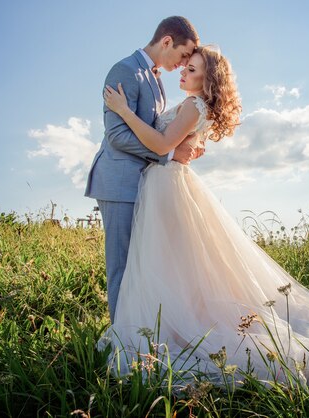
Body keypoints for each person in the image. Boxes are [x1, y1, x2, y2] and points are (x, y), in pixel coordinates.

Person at [101, 46, 309, 392]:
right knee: (176, 269)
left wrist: (124, 111)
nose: (184, 73)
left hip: (168, 187)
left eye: (192, 70)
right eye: (186, 67)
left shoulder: (193, 106)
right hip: (166, 185)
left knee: (169, 265)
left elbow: (161, 145)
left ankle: (169, 333)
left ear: (207, 81)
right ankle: (170, 328)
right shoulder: (192, 106)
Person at [85, 17, 201, 322]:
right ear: (166, 42)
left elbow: (151, 129)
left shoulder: (156, 78)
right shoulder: (125, 70)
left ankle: (140, 338)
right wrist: (170, 153)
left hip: (143, 183)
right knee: (122, 266)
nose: (184, 63)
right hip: (119, 181)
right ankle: (122, 347)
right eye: (183, 55)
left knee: (142, 265)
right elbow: (118, 136)